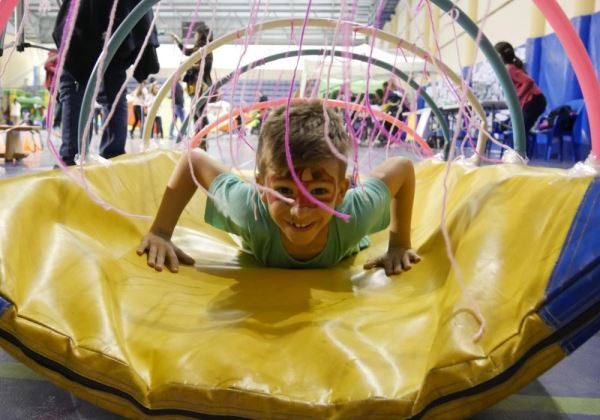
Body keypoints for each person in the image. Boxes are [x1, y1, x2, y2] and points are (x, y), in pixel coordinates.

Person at [137, 99, 421, 275]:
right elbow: (192, 159)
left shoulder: (356, 215)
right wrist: (160, 232)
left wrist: (399, 245)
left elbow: (403, 168)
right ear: (261, 186)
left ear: (342, 191)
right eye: (284, 191)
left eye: (319, 192)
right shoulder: (248, 210)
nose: (299, 211)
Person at [52, 0, 159, 166]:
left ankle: (72, 158)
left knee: (73, 86)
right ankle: (113, 156)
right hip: (121, 20)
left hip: (88, 19)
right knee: (112, 90)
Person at [494, 42, 547, 144]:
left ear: (501, 56)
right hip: (534, 101)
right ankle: (521, 154)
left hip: (535, 100)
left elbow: (529, 81)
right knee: (520, 129)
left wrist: (516, 97)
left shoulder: (510, 69)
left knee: (521, 129)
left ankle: (521, 155)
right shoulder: (511, 67)